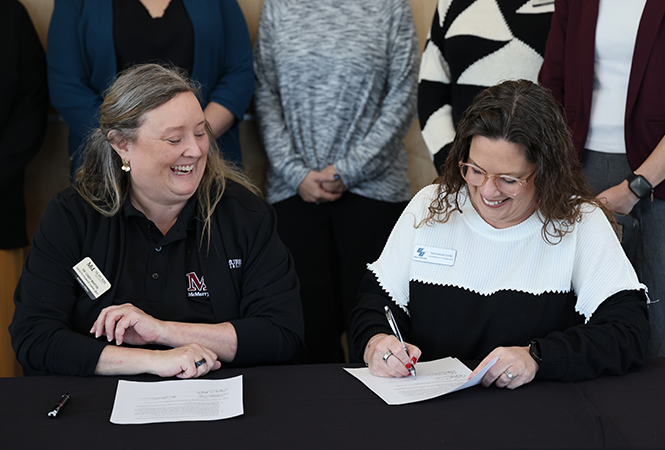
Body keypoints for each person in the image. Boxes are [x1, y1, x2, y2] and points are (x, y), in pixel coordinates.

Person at [350, 80, 650, 388]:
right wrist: (377, 344)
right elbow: (374, 305)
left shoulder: (580, 222)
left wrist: (537, 357)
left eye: (508, 179)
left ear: (546, 172)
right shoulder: (430, 205)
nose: (488, 191)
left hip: (540, 419)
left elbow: (627, 333)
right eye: (475, 170)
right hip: (432, 415)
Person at [10, 64, 304, 377]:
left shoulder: (245, 215)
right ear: (122, 145)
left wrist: (162, 332)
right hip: (98, 410)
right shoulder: (72, 217)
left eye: (200, 133)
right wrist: (153, 362)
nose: (194, 150)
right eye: (174, 139)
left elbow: (282, 334)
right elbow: (35, 338)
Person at [253, 0, 419, 363]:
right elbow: (264, 92)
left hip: (373, 194)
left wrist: (349, 170)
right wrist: (296, 173)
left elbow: (403, 94)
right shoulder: (279, 7)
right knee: (305, 339)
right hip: (293, 195)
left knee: (378, 336)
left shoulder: (389, 6)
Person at [539, 0, 665, 357]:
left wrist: (635, 187)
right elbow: (553, 83)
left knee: (658, 313)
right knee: (579, 313)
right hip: (579, 165)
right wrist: (556, 170)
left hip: (659, 172)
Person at [47, 0, 254, 171]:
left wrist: (192, 141)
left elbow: (238, 76)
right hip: (111, 164)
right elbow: (67, 88)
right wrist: (130, 145)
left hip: (206, 161)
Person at [418, 0, 554, 174]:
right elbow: (431, 90)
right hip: (464, 170)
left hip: (536, 176)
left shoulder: (567, 6)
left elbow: (577, 95)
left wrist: (545, 172)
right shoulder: (449, 3)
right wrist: (453, 162)